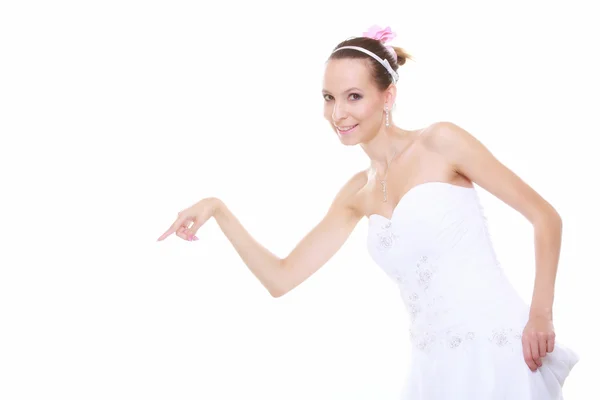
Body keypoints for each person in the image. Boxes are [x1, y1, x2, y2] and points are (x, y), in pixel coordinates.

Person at [157, 25, 579, 399]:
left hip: (501, 348)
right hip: (433, 369)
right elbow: (281, 278)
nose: (338, 113)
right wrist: (219, 209)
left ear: (387, 95)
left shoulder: (441, 142)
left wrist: (540, 313)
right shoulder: (355, 194)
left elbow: (545, 217)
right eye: (329, 98)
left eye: (353, 96)